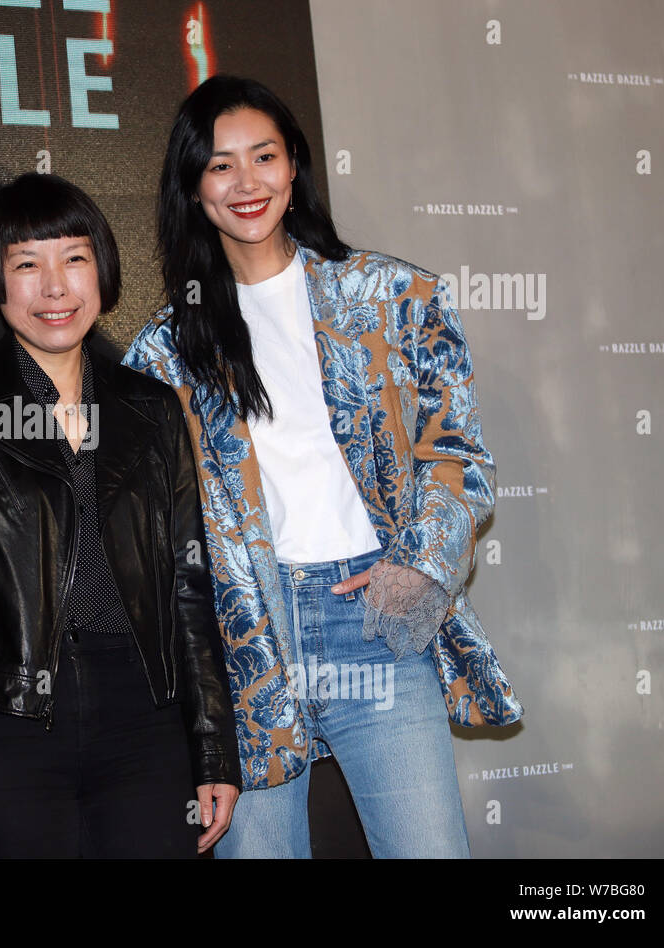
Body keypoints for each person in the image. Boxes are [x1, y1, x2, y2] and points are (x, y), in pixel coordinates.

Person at [123, 75, 523, 858]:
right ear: (193, 187)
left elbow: (457, 452)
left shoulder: (394, 296)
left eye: (264, 156)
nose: (247, 183)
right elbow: (159, 529)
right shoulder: (163, 351)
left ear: (295, 164)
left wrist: (416, 569)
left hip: (370, 623)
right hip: (248, 643)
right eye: (220, 165)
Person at [0, 172, 241, 858]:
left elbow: (187, 588)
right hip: (0, 722)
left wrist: (212, 748)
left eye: (74, 258)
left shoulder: (150, 408)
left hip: (145, 719)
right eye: (27, 264)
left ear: (103, 272)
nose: (55, 286)